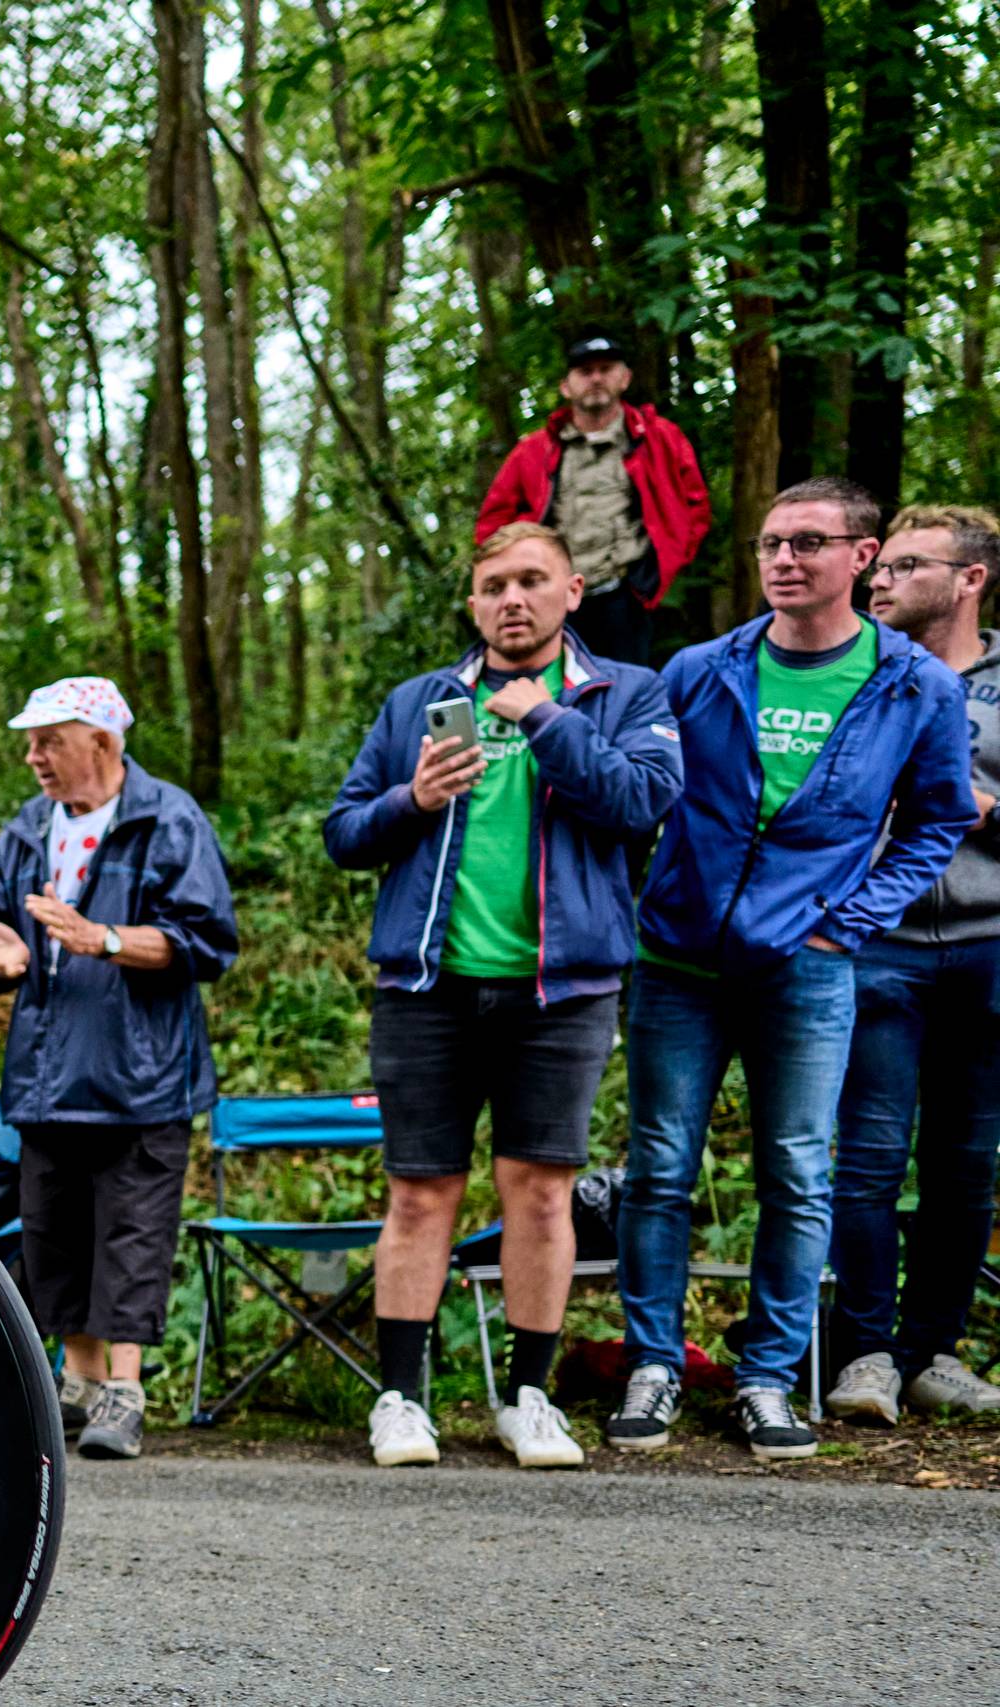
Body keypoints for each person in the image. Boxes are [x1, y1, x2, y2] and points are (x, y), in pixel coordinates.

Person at [612, 478, 977, 1461]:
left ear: (860, 557)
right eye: (769, 543)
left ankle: (767, 1376)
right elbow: (639, 788)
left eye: (806, 542)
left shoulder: (912, 685)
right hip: (677, 960)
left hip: (807, 966)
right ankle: (652, 1363)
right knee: (657, 1166)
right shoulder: (699, 668)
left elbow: (938, 817)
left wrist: (848, 921)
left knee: (796, 1170)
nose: (781, 560)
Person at [324, 523, 683, 1469]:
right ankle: (401, 1399)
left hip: (562, 989)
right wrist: (414, 800)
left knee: (538, 1193)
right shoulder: (421, 703)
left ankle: (529, 1397)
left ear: (572, 591)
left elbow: (644, 800)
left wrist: (546, 719)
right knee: (418, 1194)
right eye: (493, 585)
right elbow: (345, 831)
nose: (511, 599)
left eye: (531, 581)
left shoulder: (623, 693)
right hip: (427, 984)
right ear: (474, 602)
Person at [0, 677, 238, 1461]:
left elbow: (206, 939)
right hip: (47, 1073)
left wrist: (102, 939)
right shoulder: (28, 829)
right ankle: (76, 1384)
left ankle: (125, 1388)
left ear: (103, 744)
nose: (32, 756)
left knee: (133, 1234)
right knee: (55, 1233)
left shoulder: (167, 818)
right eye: (32, 740)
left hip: (142, 1076)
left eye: (50, 740)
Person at [822, 503, 1000, 1422]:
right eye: (877, 564)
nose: (877, 579)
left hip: (987, 945)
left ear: (969, 578)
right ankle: (864, 1355)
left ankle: (934, 1348)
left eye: (904, 565)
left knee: (967, 1161)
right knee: (869, 1156)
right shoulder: (856, 670)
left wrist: (982, 807)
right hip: (878, 945)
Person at [475, 333, 713, 665]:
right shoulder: (533, 450)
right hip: (552, 599)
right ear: (566, 386)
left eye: (606, 368)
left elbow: (695, 507)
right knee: (552, 693)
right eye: (585, 372)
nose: (596, 378)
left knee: (626, 691)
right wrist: (518, 578)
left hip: (629, 594)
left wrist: (663, 568)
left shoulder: (659, 437)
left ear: (625, 378)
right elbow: (492, 525)